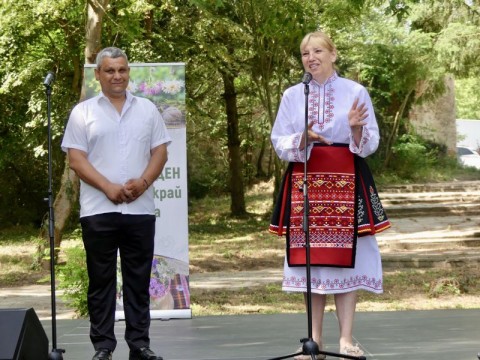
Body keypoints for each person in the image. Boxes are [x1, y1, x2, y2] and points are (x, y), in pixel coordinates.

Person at [270, 31, 391, 359]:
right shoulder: (293, 95)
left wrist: (354, 128)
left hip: (346, 180)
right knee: (311, 263)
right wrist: (302, 138)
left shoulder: (355, 92)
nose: (311, 57)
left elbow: (371, 143)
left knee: (346, 263)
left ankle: (346, 341)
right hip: (307, 181)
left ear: (333, 54)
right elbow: (278, 140)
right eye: (305, 53)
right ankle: (313, 343)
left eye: (318, 50)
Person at [61, 47, 171, 360]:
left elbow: (160, 152)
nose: (117, 76)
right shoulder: (83, 113)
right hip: (99, 211)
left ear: (128, 72)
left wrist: (144, 182)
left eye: (121, 70)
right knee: (101, 282)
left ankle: (139, 345)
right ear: (97, 75)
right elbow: (76, 159)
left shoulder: (147, 109)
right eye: (109, 71)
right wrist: (107, 187)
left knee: (138, 281)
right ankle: (103, 347)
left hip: (140, 210)